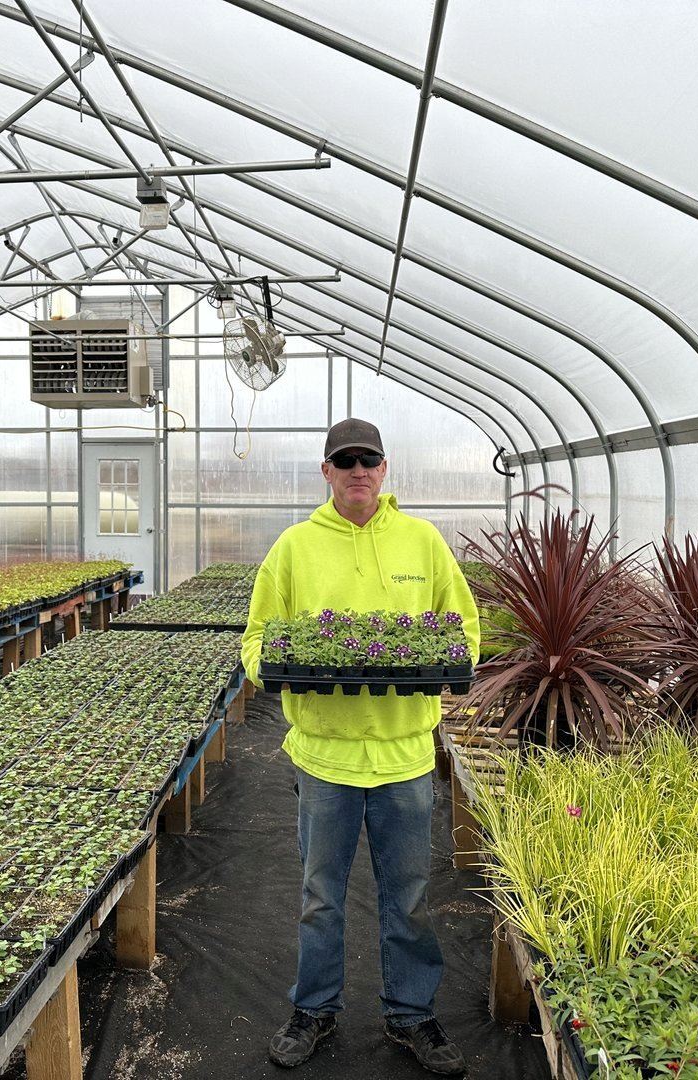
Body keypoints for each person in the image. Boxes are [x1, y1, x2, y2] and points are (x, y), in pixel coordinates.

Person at [241, 418, 480, 1076]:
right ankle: (313, 1008)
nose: (357, 471)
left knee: (409, 896)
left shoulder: (422, 541)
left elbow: (462, 627)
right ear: (326, 471)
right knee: (321, 896)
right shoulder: (294, 547)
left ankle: (411, 1014)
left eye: (367, 460)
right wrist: (273, 669)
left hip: (404, 756)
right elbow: (258, 637)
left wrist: (451, 660)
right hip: (325, 758)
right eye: (344, 461)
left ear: (384, 467)